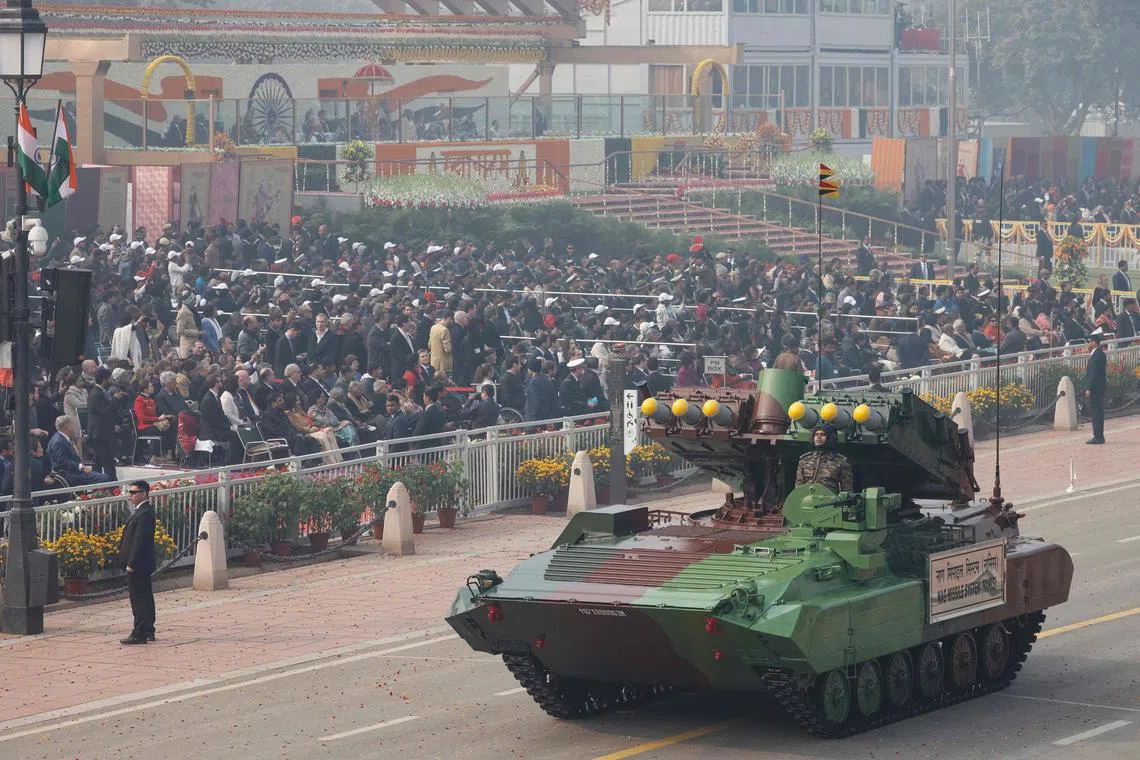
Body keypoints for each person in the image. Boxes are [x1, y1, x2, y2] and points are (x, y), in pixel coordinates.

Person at [118, 480, 157, 645]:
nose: (130, 496)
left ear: (144, 494)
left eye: (134, 493)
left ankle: (140, 631)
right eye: (130, 493)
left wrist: (131, 563)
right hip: (140, 564)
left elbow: (140, 541)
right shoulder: (141, 511)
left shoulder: (145, 513)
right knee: (145, 596)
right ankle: (147, 629)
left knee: (139, 598)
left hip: (139, 565)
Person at [795, 424, 854, 494]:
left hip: (829, 502)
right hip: (807, 501)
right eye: (816, 434)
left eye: (823, 435)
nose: (818, 437)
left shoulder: (840, 462)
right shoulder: (805, 460)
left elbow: (847, 491)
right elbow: (798, 487)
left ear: (830, 438)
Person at [1085, 331, 1107, 444]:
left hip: (1096, 388)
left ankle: (1098, 436)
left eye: (1089, 341)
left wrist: (1089, 388)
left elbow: (1094, 373)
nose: (1088, 344)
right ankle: (1098, 435)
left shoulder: (1097, 355)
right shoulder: (1100, 353)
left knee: (1096, 412)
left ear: (1094, 342)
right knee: (1097, 411)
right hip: (1100, 388)